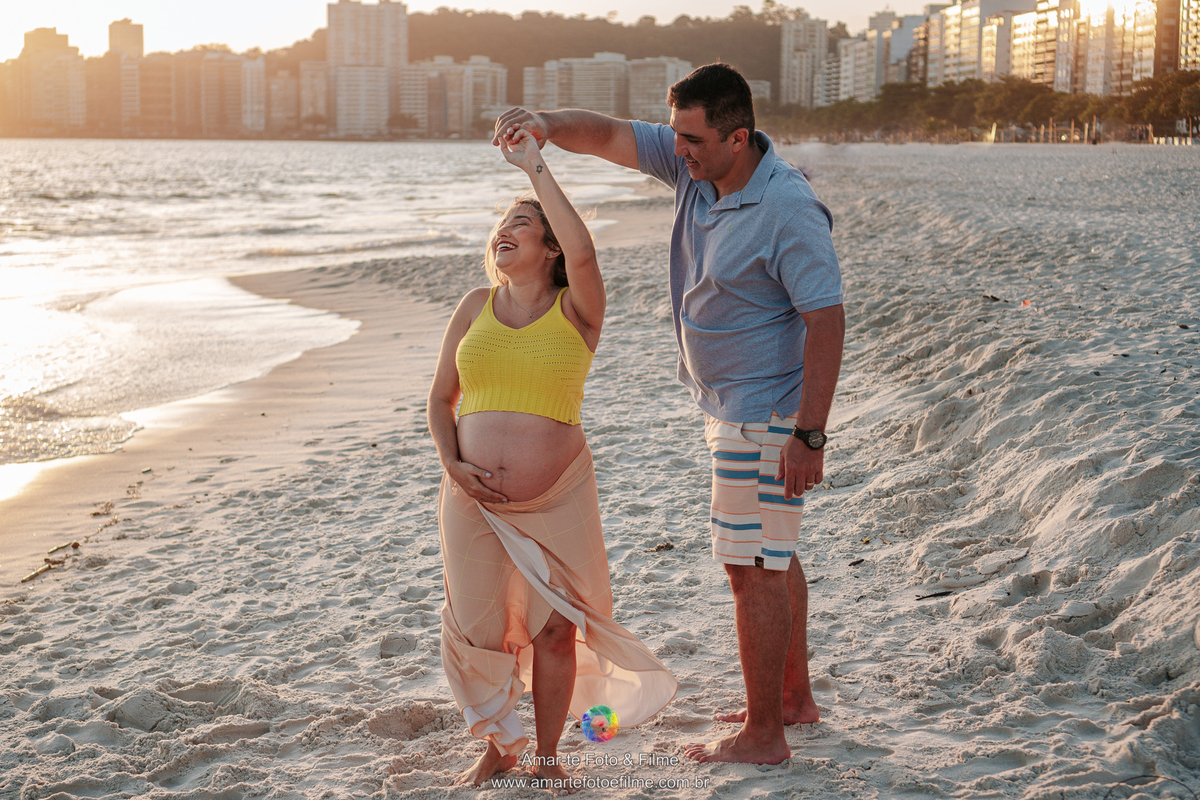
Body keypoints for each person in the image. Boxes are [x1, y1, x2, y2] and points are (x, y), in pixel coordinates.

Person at [492, 62, 845, 766]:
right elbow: (612, 136)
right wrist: (548, 127)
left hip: (765, 411)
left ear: (737, 138)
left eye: (689, 138)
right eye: (676, 135)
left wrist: (808, 434)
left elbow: (828, 320)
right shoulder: (697, 168)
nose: (675, 149)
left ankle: (764, 737)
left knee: (751, 570)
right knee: (773, 549)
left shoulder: (787, 209)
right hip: (729, 407)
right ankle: (793, 699)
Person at [427, 127, 677, 788]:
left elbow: (589, 253)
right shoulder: (473, 306)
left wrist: (535, 169)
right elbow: (439, 400)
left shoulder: (578, 312)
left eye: (523, 224)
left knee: (556, 633)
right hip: (472, 501)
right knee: (480, 633)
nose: (505, 230)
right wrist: (453, 465)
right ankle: (499, 746)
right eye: (502, 223)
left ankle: (545, 755)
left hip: (558, 497)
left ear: (551, 247)